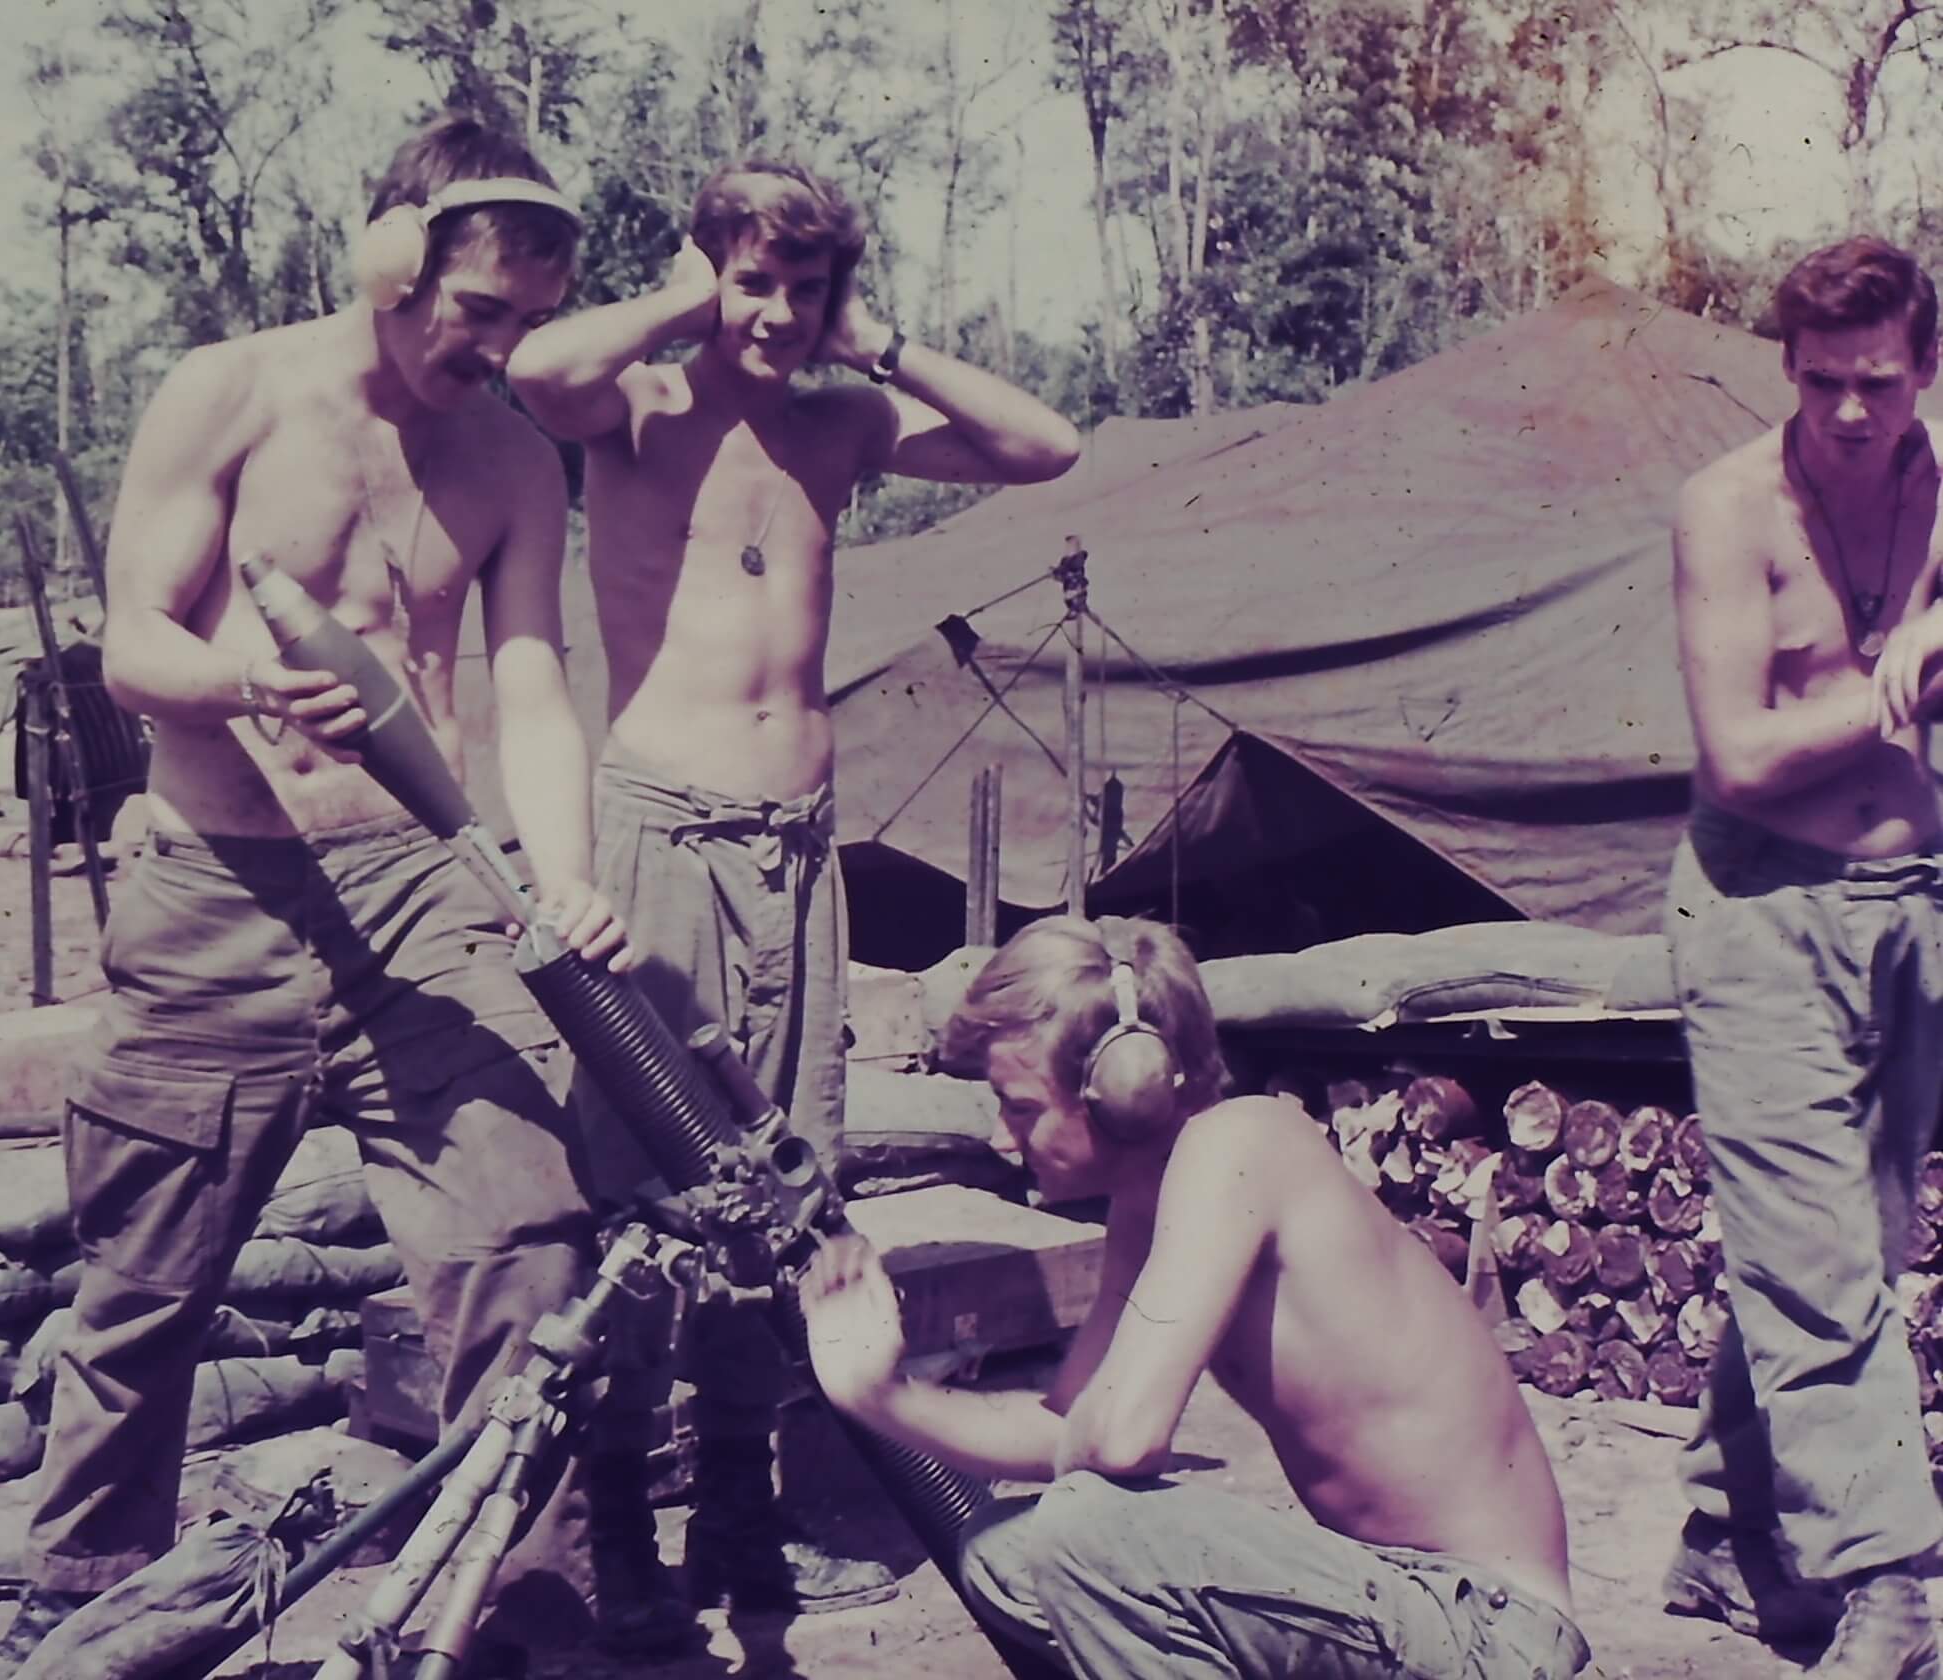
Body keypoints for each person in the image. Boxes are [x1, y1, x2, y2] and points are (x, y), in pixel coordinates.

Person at [0, 115, 632, 1678]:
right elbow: (130, 647)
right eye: (479, 312)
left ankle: (531, 1619)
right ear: (390, 259)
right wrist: (246, 684)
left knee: (524, 1250)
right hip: (216, 898)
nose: (502, 348)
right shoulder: (232, 393)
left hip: (423, 900)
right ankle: (80, 1600)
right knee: (144, 1286)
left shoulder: (516, 453)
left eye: (533, 321)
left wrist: (567, 874)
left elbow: (531, 684)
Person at [506, 158, 1082, 1651]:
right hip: (664, 840)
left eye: (800, 286)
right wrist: (694, 296)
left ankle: (743, 1512)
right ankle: (625, 1518)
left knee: (791, 1180)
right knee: (645, 1182)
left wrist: (874, 340)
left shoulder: (842, 419)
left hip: (799, 850)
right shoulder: (637, 407)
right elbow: (537, 364)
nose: (773, 313)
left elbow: (1045, 447)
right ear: (708, 273)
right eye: (753, 282)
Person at [798, 914, 1594, 1680]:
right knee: (1003, 1555)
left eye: (1023, 1107)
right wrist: (883, 1398)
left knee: (1084, 1531)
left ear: (1123, 1089)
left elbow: (1119, 1441)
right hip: (1401, 1604)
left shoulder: (1241, 1145)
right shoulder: (1147, 1209)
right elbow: (1062, 1430)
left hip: (1493, 1632)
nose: (1003, 1138)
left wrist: (915, 1403)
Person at [1660, 234, 1942, 1680]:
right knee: (1824, 1267)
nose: (1847, 411)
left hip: (1915, 905)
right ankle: (1891, 1596)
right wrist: (1904, 692)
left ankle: (1723, 1532)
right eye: (1822, 382)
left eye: (1877, 384)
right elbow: (1745, 754)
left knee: (1845, 1253)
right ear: (1787, 370)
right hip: (1763, 908)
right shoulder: (1726, 512)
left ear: (1924, 369)